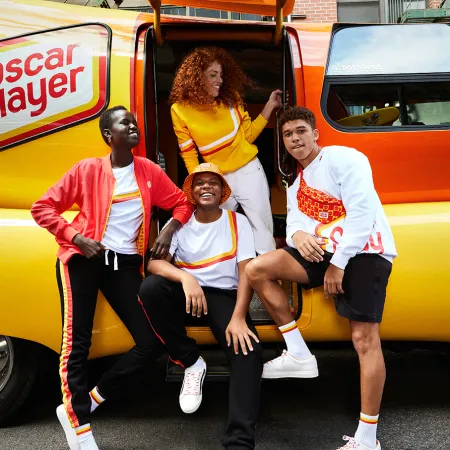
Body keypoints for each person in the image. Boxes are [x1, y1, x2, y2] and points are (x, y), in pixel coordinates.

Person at [31, 106, 193, 450]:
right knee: (77, 345)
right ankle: (80, 430)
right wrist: (76, 238)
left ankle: (89, 400)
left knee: (150, 343)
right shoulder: (88, 169)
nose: (133, 126)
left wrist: (168, 230)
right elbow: (42, 208)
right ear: (110, 136)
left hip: (125, 265)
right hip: (84, 261)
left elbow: (182, 203)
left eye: (134, 122)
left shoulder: (147, 171)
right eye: (125, 123)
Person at [246, 106, 397, 450]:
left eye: (301, 131)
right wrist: (298, 236)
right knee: (257, 269)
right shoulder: (297, 182)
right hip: (325, 254)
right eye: (287, 134)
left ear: (315, 134)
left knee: (363, 339)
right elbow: (298, 222)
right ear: (283, 142)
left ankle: (367, 437)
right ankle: (299, 353)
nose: (295, 138)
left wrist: (339, 263)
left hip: (364, 252)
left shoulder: (344, 158)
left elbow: (362, 212)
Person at [139, 162, 263, 450]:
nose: (206, 186)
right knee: (151, 289)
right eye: (199, 183)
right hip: (187, 293)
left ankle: (239, 442)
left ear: (222, 192)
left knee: (249, 350)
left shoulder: (237, 221)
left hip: (223, 296)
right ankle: (191, 361)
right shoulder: (179, 224)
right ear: (191, 192)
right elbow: (154, 264)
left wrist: (239, 317)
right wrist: (186, 278)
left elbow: (247, 272)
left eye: (213, 182)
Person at [169, 46, 282, 255]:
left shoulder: (232, 99)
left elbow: (247, 135)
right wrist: (199, 181)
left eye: (220, 75)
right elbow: (188, 153)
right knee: (218, 229)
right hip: (217, 177)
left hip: (249, 169)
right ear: (196, 77)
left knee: (262, 228)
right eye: (212, 75)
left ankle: (267, 280)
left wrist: (269, 106)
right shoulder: (179, 110)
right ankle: (224, 281)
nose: (219, 80)